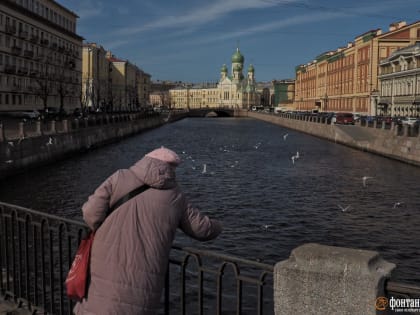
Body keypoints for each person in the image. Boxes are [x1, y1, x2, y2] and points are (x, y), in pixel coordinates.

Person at [74, 147, 222, 315]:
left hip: (106, 260)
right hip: (144, 278)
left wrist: (104, 229)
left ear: (144, 160)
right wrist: (220, 225)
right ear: (171, 169)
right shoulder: (175, 196)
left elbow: (90, 213)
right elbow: (202, 229)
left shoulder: (120, 177)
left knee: (98, 305)